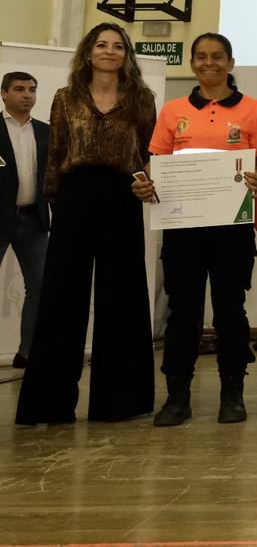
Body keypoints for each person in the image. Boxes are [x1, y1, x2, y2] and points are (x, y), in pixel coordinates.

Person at [15, 23, 157, 425]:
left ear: (126, 55)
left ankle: (120, 402)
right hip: (74, 198)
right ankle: (49, 403)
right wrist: (55, 204)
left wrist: (149, 184)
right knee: (62, 298)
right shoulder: (65, 98)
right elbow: (56, 153)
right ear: (88, 52)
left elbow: (148, 152)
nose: (110, 51)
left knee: (123, 295)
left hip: (121, 196)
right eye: (102, 45)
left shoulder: (142, 100)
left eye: (118, 46)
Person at [134, 33, 257, 426]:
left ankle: (233, 393)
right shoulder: (174, 110)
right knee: (183, 313)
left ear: (230, 63)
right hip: (183, 227)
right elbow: (156, 163)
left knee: (231, 310)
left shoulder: (253, 109)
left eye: (217, 57)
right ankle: (177, 396)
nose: (208, 63)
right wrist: (146, 184)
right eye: (200, 57)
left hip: (232, 228)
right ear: (193, 63)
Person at [1, 72, 49, 369]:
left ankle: (28, 353)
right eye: (19, 89)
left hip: (33, 219)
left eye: (32, 89)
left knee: (41, 286)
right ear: (4, 93)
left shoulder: (45, 131)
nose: (27, 95)